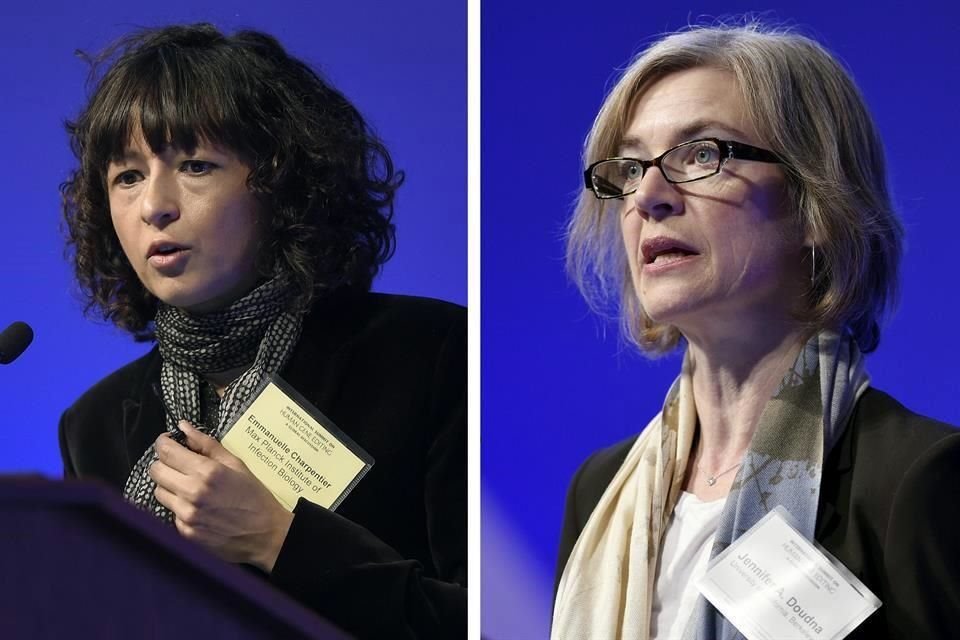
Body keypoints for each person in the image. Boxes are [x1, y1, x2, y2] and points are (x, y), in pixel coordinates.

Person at [57, 24, 465, 639]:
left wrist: (280, 540)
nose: (153, 206)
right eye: (127, 176)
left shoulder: (429, 354)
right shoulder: (94, 426)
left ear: (285, 185)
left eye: (195, 165)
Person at [553, 23, 960, 640]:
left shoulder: (916, 479)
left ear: (817, 204)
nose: (650, 196)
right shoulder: (600, 490)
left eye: (702, 155)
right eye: (631, 168)